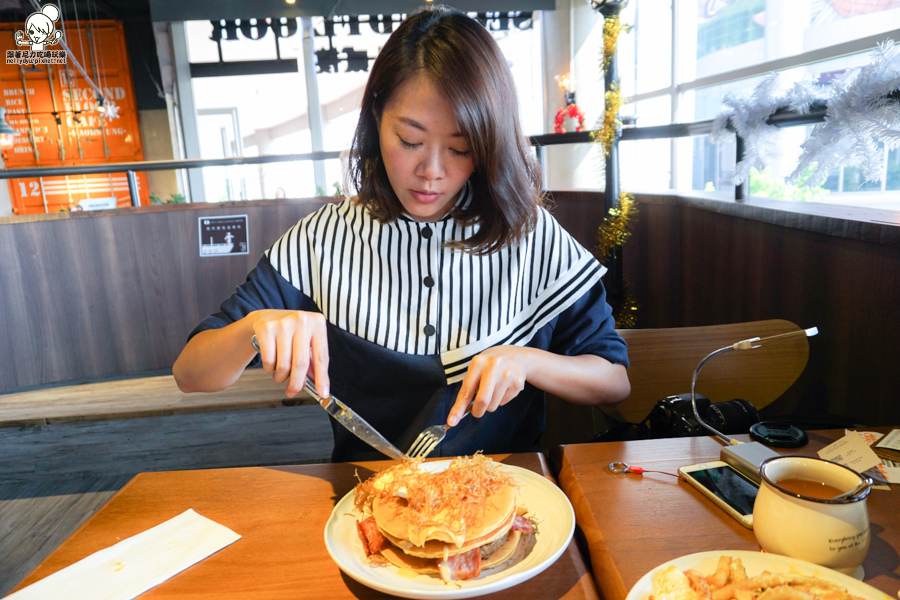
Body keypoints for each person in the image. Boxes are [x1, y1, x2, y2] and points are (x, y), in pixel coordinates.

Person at [173, 6, 630, 462]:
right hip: (370, 505)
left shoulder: (528, 235)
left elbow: (614, 380)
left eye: (460, 147)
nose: (431, 171)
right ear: (376, 116)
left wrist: (529, 361)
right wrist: (253, 328)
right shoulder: (321, 242)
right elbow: (190, 373)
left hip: (511, 503)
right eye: (410, 141)